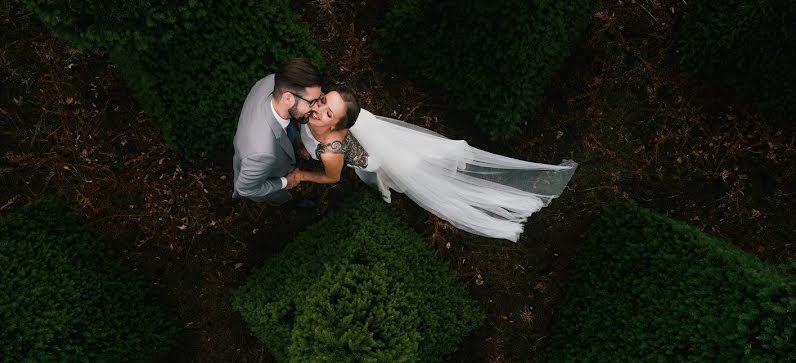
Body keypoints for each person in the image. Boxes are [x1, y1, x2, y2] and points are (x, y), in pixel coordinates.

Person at [292, 87, 577, 241]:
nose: (316, 108)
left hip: (375, 158)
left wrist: (302, 175)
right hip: (374, 144)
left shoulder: (332, 152)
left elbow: (332, 178)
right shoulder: (321, 115)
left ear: (338, 123)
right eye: (322, 101)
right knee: (418, 160)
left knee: (418, 173)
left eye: (326, 111)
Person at [232, 58, 323, 205]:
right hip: (270, 172)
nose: (316, 108)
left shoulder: (273, 82)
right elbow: (245, 189)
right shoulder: (262, 153)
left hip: (272, 137)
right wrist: (285, 182)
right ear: (288, 98)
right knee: (286, 198)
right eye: (312, 102)